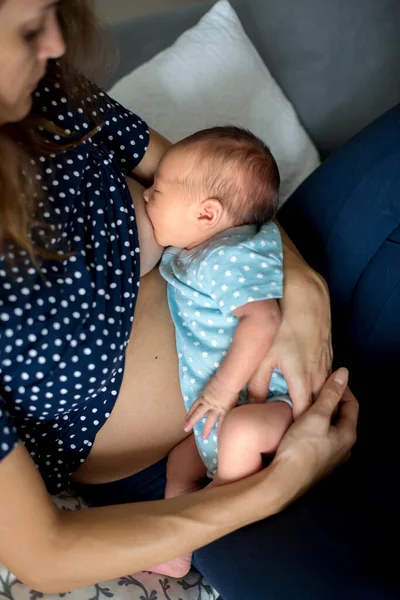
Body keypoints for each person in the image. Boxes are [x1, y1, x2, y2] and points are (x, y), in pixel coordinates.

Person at [0, 1, 390, 599]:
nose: (56, 42)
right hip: (207, 463)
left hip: (280, 285)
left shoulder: (45, 94)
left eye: (52, 11)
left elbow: (204, 178)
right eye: (28, 29)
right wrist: (276, 485)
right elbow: (43, 553)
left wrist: (302, 285)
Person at [141, 127, 294, 577]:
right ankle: (176, 548)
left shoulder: (228, 255)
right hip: (218, 420)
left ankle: (222, 507)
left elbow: (263, 319)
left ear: (207, 214)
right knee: (180, 462)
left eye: (158, 190)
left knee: (242, 433)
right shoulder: (201, 251)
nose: (147, 195)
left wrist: (224, 391)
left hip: (268, 406)